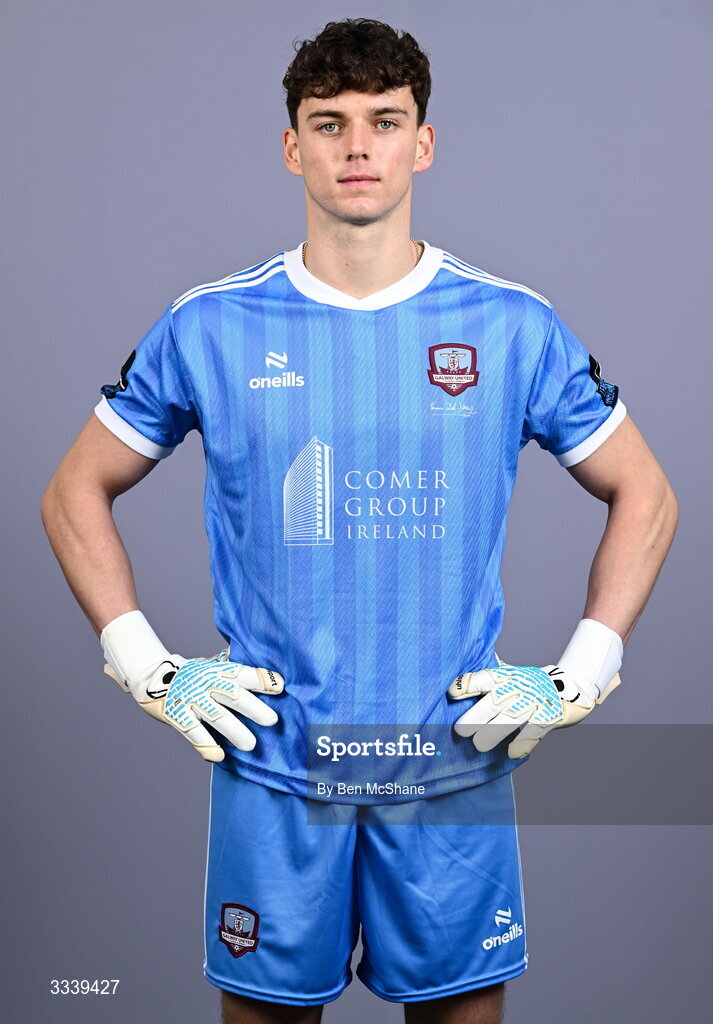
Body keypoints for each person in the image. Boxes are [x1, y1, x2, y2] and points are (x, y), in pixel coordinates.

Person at [41, 17, 678, 1024]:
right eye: (327, 123)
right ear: (291, 146)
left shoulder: (508, 325)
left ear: (422, 142)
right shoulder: (208, 325)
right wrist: (147, 664)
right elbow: (73, 487)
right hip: (275, 764)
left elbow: (646, 491)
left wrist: (578, 673)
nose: (357, 146)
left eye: (383, 121)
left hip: (450, 759)